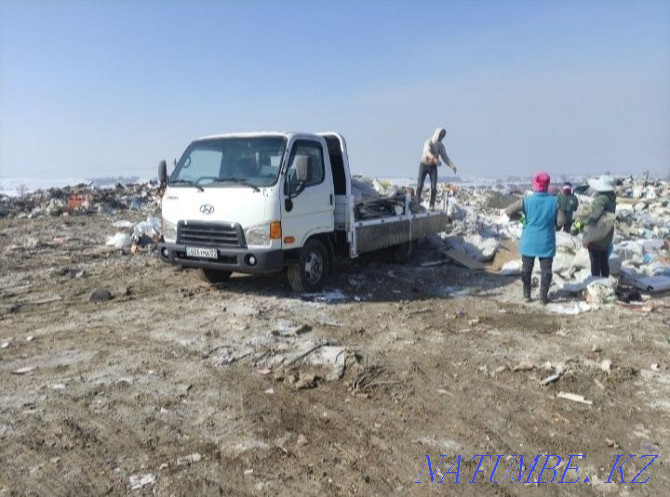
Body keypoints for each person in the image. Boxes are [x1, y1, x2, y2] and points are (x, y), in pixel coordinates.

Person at [508, 172, 559, 304]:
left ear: (534, 185)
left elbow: (508, 211)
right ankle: (542, 298)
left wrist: (523, 220)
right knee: (546, 271)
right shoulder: (555, 202)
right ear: (547, 185)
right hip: (546, 241)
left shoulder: (526, 200)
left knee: (526, 269)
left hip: (528, 241)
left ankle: (526, 295)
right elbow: (560, 221)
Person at [415, 128, 457, 210]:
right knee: (420, 185)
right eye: (440, 135)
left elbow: (445, 157)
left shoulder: (441, 146)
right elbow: (426, 152)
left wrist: (452, 166)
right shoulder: (428, 142)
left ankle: (431, 205)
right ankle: (416, 203)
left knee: (434, 187)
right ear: (437, 134)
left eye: (443, 136)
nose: (441, 137)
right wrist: (434, 159)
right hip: (424, 165)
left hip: (433, 167)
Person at [584, 175, 617, 277]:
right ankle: (605, 281)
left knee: (595, 263)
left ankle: (596, 283)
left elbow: (596, 215)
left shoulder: (601, 199)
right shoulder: (611, 199)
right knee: (604, 261)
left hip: (597, 235)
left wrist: (586, 222)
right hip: (606, 234)